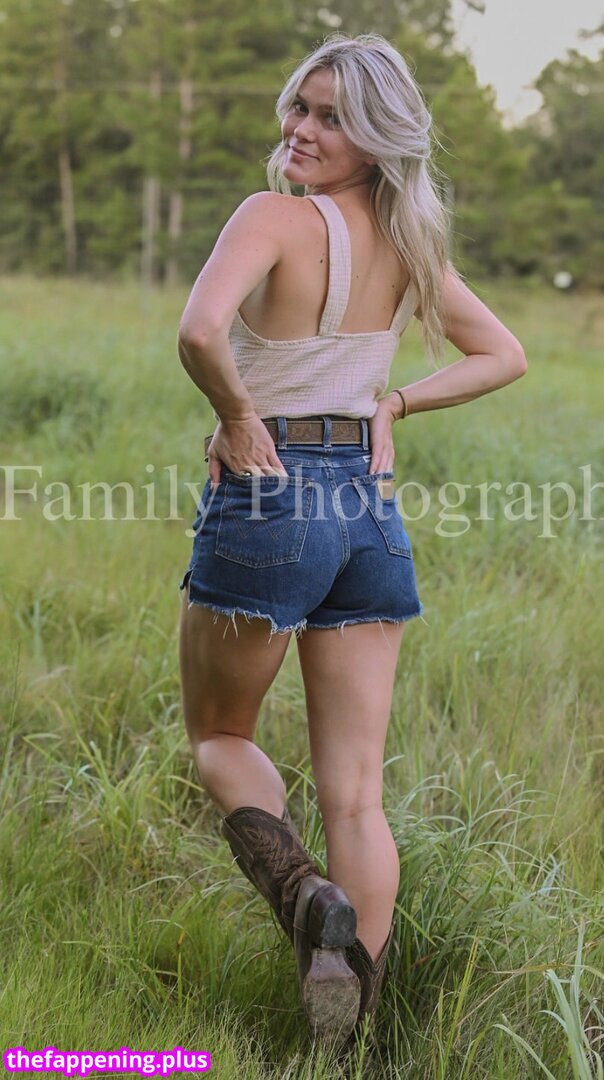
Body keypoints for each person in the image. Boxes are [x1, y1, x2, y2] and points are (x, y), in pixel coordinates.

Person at [177, 32, 527, 1046]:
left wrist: (236, 416)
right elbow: (502, 354)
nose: (302, 129)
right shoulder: (408, 245)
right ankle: (347, 1042)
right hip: (368, 510)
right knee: (358, 799)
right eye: (300, 104)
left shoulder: (273, 216)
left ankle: (304, 898)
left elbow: (199, 332)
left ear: (376, 139)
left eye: (333, 118)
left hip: (271, 490)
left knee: (220, 737)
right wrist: (393, 404)